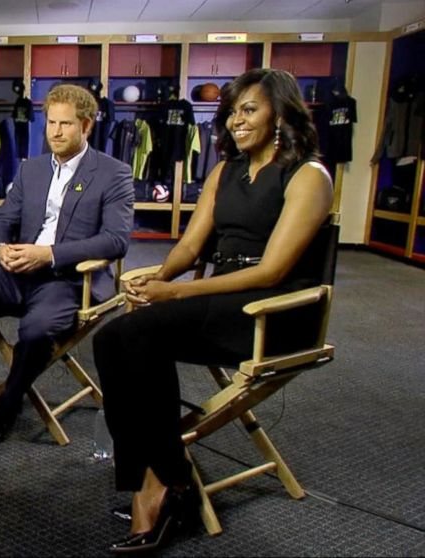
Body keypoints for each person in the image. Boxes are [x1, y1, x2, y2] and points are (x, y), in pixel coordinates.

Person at [91, 68, 333, 554]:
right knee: (112, 338)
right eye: (232, 112)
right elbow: (191, 244)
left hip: (272, 312)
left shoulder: (310, 175)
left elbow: (271, 272)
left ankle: (160, 488)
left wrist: (176, 295)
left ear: (280, 113)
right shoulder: (226, 171)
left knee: (139, 336)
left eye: (250, 110)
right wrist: (160, 277)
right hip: (220, 296)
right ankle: (160, 478)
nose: (236, 122)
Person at [0, 83, 134, 461]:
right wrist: (2, 247)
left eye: (65, 124)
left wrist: (49, 254)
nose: (55, 131)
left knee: (36, 331)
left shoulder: (113, 173)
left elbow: (115, 241)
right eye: (51, 122)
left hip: (70, 280)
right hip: (18, 272)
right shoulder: (32, 170)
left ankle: (7, 408)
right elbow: (3, 219)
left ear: (86, 126)